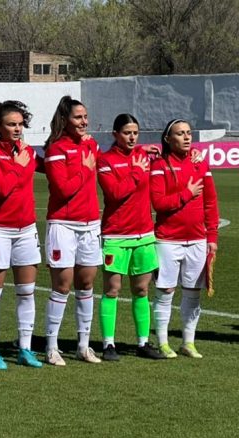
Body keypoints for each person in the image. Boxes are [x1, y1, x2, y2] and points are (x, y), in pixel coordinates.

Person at [0, 101, 42, 370]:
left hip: (26, 229)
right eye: (11, 124)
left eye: (20, 124)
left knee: (27, 292)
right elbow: (1, 189)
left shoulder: (28, 152)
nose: (17, 129)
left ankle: (25, 348)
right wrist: (19, 165)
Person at [96, 114, 164, 361]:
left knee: (142, 289)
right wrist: (136, 171)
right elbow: (115, 193)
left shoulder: (143, 156)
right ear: (115, 134)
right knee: (112, 290)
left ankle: (143, 343)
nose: (132, 137)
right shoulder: (105, 161)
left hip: (144, 235)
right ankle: (108, 344)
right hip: (116, 235)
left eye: (135, 132)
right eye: (127, 133)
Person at [150, 119, 219, 358]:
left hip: (198, 239)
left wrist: (212, 236)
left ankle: (188, 342)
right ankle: (162, 343)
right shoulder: (159, 165)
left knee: (193, 292)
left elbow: (210, 203)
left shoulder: (200, 163)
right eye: (180, 133)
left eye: (189, 133)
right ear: (168, 139)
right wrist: (187, 193)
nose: (187, 137)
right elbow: (158, 203)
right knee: (165, 291)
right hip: (167, 240)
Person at [42, 96, 102, 366]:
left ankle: (83, 345)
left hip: (90, 225)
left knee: (87, 285)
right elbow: (62, 189)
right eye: (78, 117)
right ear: (65, 120)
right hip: (63, 225)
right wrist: (84, 170)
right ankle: (51, 347)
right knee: (62, 286)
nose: (84, 121)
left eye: (85, 117)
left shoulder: (91, 144)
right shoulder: (56, 149)